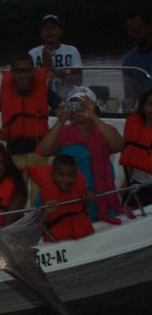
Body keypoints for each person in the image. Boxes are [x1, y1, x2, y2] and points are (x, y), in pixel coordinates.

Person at [38, 86, 130, 225]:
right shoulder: (62, 132)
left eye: (83, 105)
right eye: (74, 104)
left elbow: (118, 145)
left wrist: (94, 117)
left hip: (99, 194)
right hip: (69, 193)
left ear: (93, 106)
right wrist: (61, 121)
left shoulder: (104, 130)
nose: (78, 109)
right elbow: (44, 151)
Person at [0, 52, 61, 206]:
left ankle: (38, 222)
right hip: (15, 152)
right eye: (19, 71)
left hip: (38, 151)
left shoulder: (43, 91)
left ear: (33, 71)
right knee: (17, 193)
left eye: (27, 70)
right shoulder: (5, 94)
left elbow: (62, 108)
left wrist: (54, 134)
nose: (23, 75)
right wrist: (2, 135)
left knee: (38, 192)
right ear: (12, 73)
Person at [27, 155, 95, 242]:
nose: (65, 179)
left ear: (76, 175)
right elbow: (34, 224)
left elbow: (84, 211)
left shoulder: (81, 189)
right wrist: (47, 213)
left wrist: (88, 201)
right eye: (61, 175)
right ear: (53, 175)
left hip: (83, 238)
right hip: (55, 242)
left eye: (70, 175)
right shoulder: (43, 195)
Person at [28, 14, 83, 98]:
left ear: (60, 31)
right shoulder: (32, 53)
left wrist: (52, 69)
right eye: (45, 28)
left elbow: (78, 81)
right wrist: (45, 66)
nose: (49, 31)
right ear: (41, 33)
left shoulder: (72, 51)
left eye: (53, 27)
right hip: (42, 98)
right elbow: (30, 82)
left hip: (68, 98)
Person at [119, 89, 152, 207]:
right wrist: (125, 183)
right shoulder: (136, 128)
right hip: (136, 182)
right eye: (149, 105)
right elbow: (132, 157)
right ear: (143, 106)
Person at [122, 10, 152, 108]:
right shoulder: (128, 61)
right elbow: (130, 95)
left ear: (149, 27)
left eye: (137, 31)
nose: (133, 36)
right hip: (144, 112)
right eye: (130, 32)